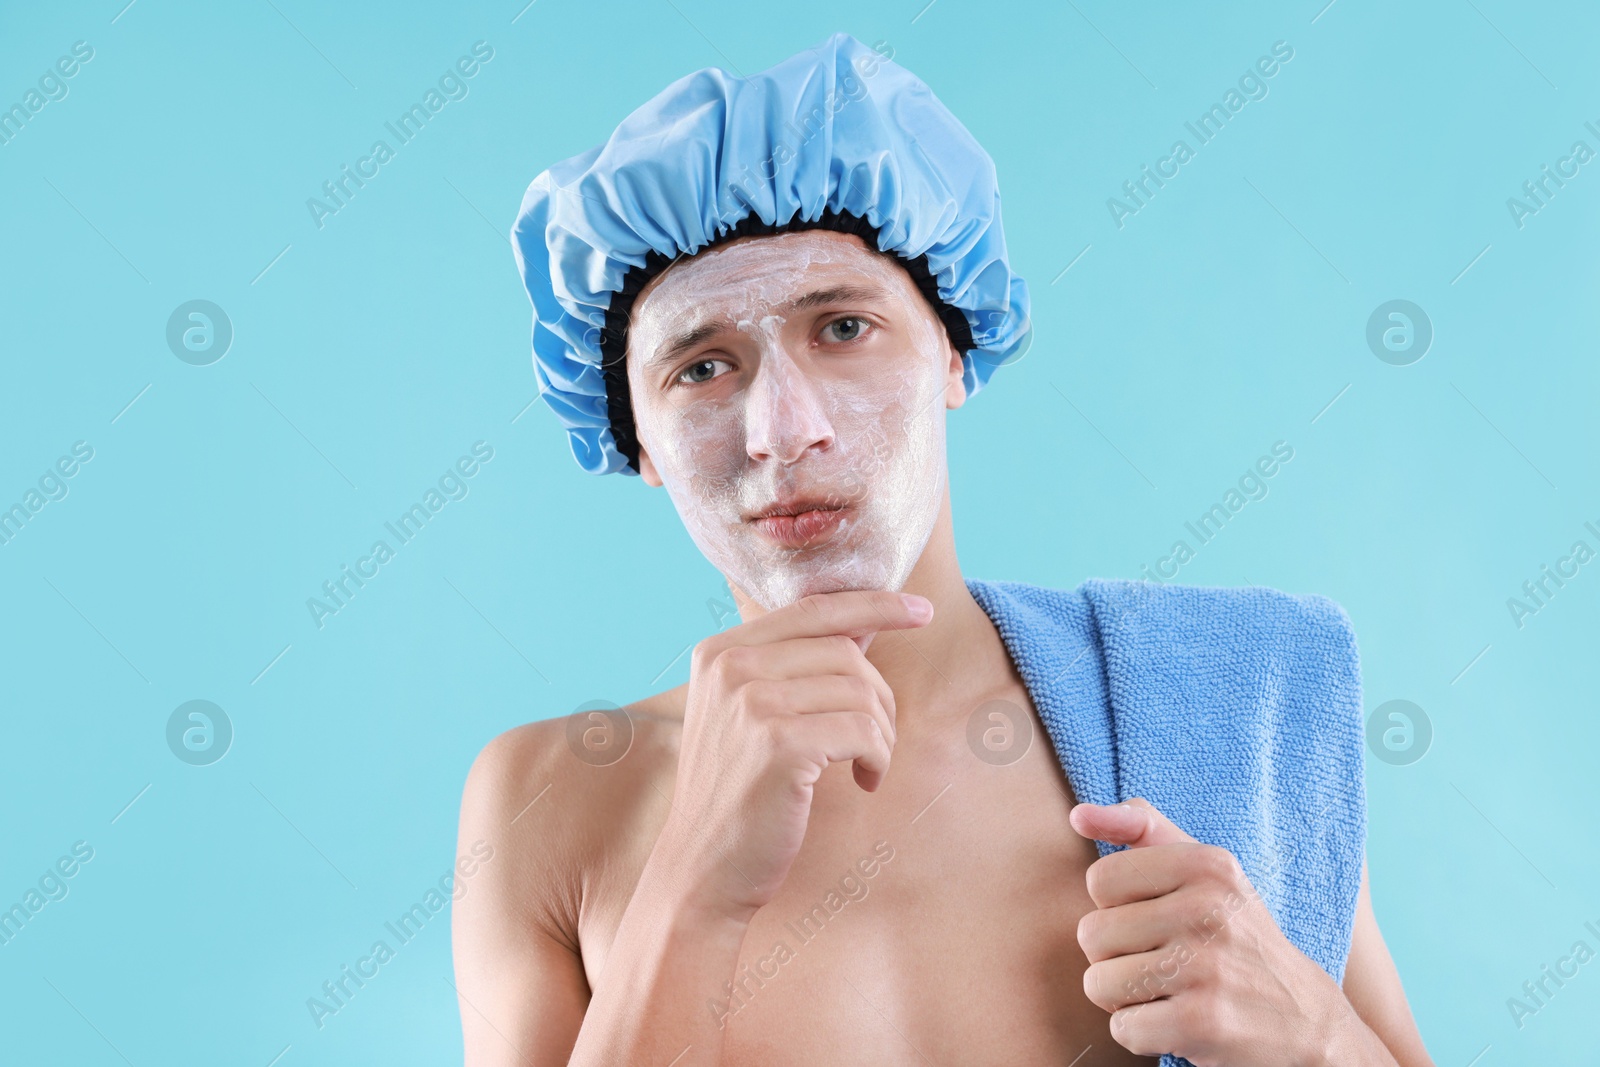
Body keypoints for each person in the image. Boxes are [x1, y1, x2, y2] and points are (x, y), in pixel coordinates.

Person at [454, 33, 1434, 1067]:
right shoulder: (549, 800)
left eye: (840, 327)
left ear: (954, 353)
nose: (783, 429)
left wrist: (1319, 1037)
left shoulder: (1241, 699)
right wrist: (692, 884)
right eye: (701, 365)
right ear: (635, 439)